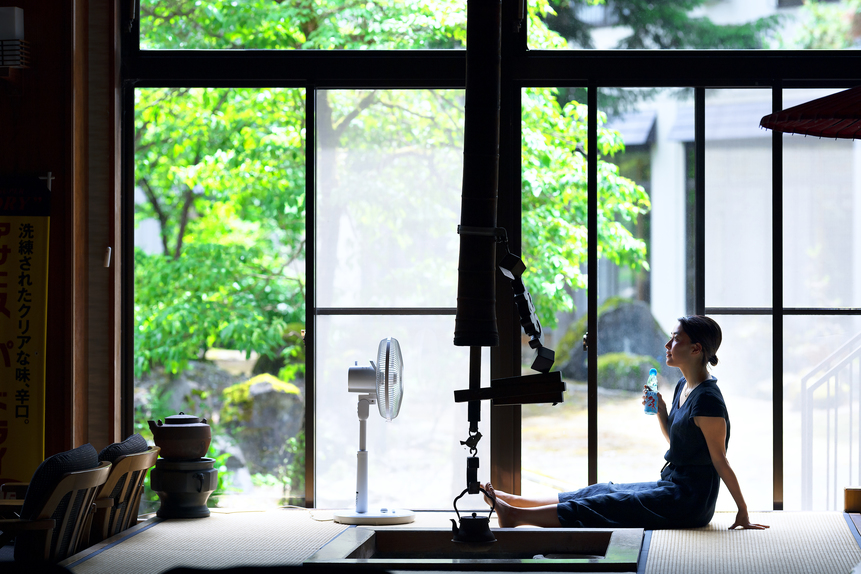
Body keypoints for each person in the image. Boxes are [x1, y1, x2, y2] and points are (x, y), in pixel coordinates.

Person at [485, 315, 768, 531]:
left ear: (695, 349)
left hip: (690, 501)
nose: (668, 345)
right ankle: (516, 502)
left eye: (675, 340)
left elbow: (720, 461)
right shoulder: (684, 385)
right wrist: (662, 412)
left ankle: (516, 516)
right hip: (671, 484)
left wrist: (742, 511)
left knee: (610, 504)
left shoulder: (708, 400)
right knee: (603, 490)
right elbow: (681, 446)